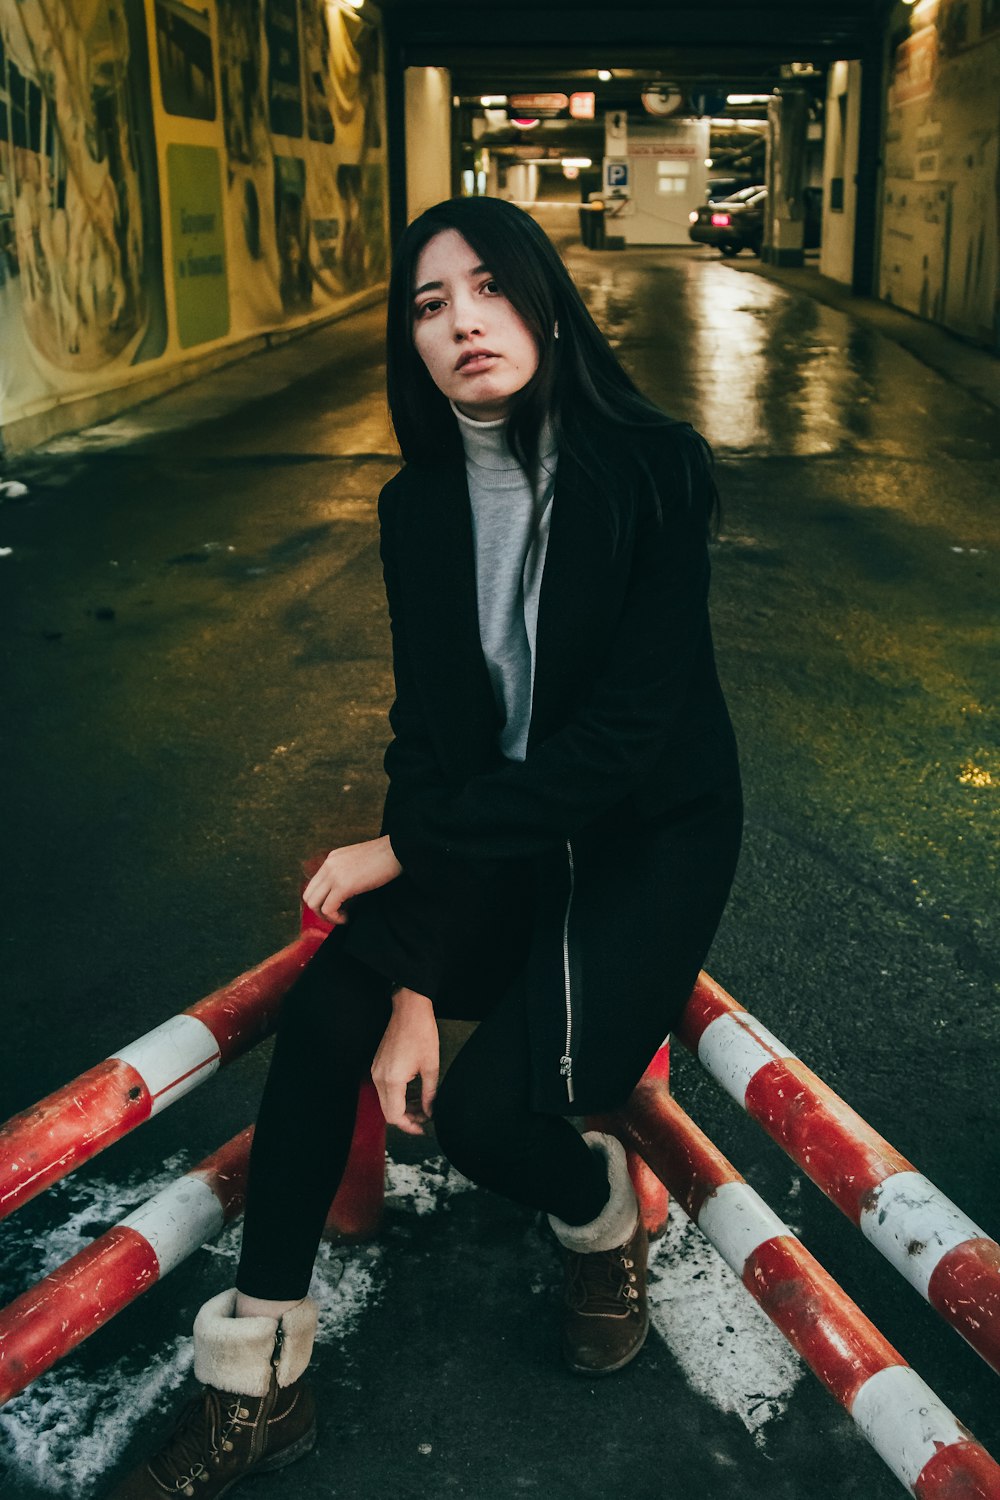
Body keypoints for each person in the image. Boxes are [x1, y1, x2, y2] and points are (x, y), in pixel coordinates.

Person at [108, 196, 743, 1499]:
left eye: (492, 289)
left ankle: (599, 1207)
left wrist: (405, 856)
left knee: (489, 1115)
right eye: (429, 303)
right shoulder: (420, 508)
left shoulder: (658, 470)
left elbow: (624, 740)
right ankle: (262, 1379)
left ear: (547, 303)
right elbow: (435, 742)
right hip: (501, 829)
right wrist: (407, 969)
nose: (463, 321)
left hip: (643, 841)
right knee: (334, 999)